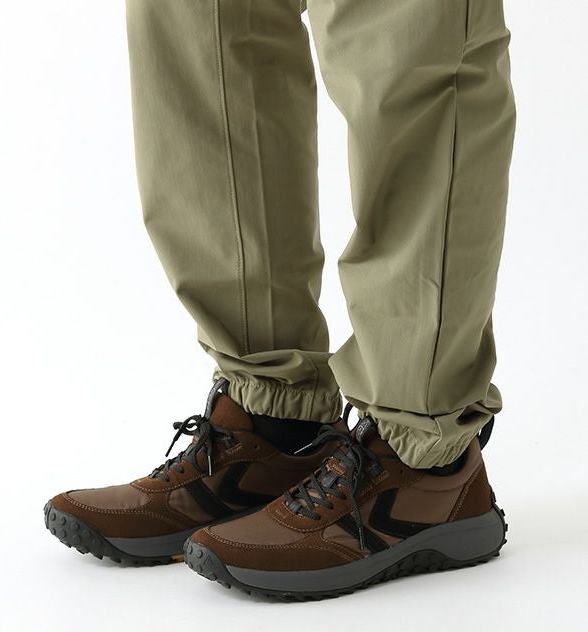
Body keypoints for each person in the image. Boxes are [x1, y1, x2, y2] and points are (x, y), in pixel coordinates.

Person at [44, 0, 515, 600]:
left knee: (406, 40)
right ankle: (273, 428)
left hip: (422, 451)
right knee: (204, 26)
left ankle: (424, 461)